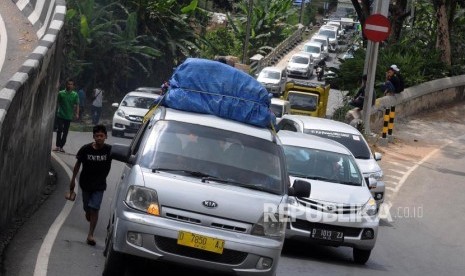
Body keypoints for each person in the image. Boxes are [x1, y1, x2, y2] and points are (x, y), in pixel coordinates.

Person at [69, 124, 112, 246]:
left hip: (99, 185)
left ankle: (90, 234)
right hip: (86, 184)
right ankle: (87, 211)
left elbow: (123, 156)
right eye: (97, 136)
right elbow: (77, 165)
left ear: (106, 137)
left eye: (101, 136)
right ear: (93, 137)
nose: (99, 138)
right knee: (87, 207)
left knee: (95, 208)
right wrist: (72, 180)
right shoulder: (85, 149)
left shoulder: (109, 150)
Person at [54, 79, 79, 152]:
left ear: (73, 86)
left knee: (65, 132)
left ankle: (61, 147)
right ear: (66, 85)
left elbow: (77, 104)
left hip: (68, 116)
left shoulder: (75, 94)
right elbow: (57, 102)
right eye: (68, 84)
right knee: (59, 130)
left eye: (71, 84)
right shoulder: (61, 93)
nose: (70, 85)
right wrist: (57, 109)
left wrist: (77, 113)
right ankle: (57, 146)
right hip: (60, 115)